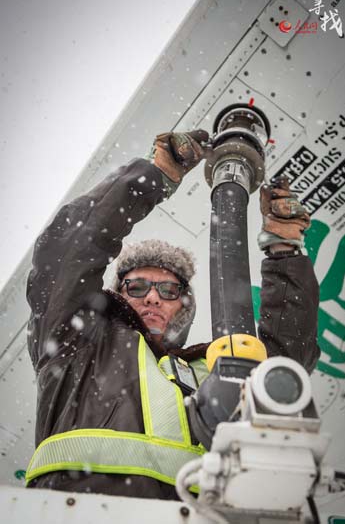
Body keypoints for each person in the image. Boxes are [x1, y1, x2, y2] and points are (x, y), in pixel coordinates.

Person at [25, 130, 320, 499]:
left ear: (184, 304)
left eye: (168, 290)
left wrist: (285, 252)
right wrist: (154, 176)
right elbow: (66, 253)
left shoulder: (214, 368)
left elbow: (287, 362)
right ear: (117, 294)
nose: (152, 298)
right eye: (137, 287)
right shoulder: (78, 345)